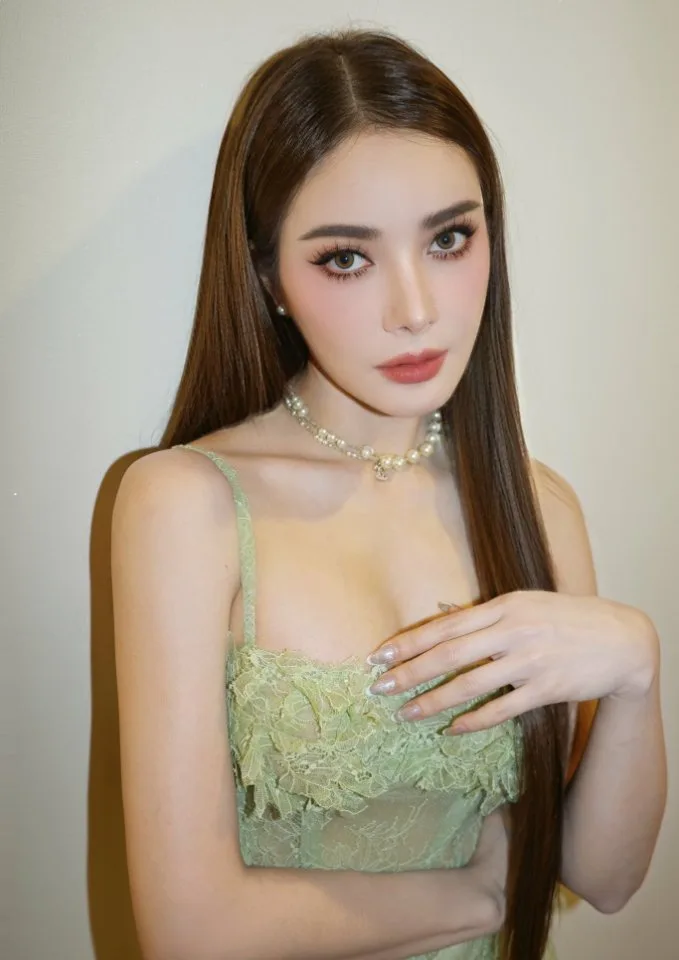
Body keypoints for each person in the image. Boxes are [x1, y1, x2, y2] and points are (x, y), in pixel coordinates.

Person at [111, 26, 667, 960]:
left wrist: (637, 673)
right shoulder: (185, 504)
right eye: (346, 257)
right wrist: (481, 892)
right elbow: (188, 932)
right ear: (268, 277)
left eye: (448, 238)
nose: (415, 309)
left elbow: (604, 878)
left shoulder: (538, 506)